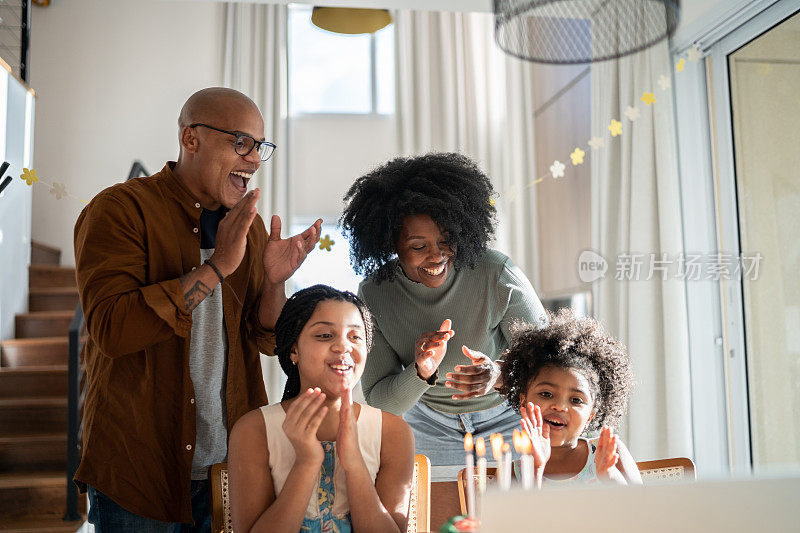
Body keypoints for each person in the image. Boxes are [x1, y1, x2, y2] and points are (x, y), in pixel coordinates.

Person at [73, 87, 322, 531]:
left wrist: (275, 284)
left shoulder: (251, 225)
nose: (251, 159)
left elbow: (265, 340)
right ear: (190, 139)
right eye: (239, 142)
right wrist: (218, 266)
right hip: (139, 469)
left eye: (259, 147)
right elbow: (112, 330)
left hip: (231, 467)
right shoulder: (119, 210)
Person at [339, 152, 548, 480]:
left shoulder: (495, 272)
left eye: (445, 240)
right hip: (430, 428)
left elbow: (549, 365)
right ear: (393, 243)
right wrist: (421, 371)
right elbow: (382, 403)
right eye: (418, 246)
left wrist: (498, 374)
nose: (436, 255)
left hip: (508, 420)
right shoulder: (374, 294)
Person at [228, 285, 414, 533]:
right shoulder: (253, 429)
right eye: (325, 335)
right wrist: (307, 462)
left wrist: (354, 463)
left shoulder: (393, 432)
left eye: (355, 336)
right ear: (294, 349)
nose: (343, 346)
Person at [498, 308, 641, 486]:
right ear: (524, 401)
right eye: (546, 394)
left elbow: (641, 509)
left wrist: (609, 475)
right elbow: (517, 514)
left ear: (590, 416)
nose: (559, 406)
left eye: (576, 400)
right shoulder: (513, 472)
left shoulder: (610, 453)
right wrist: (534, 470)